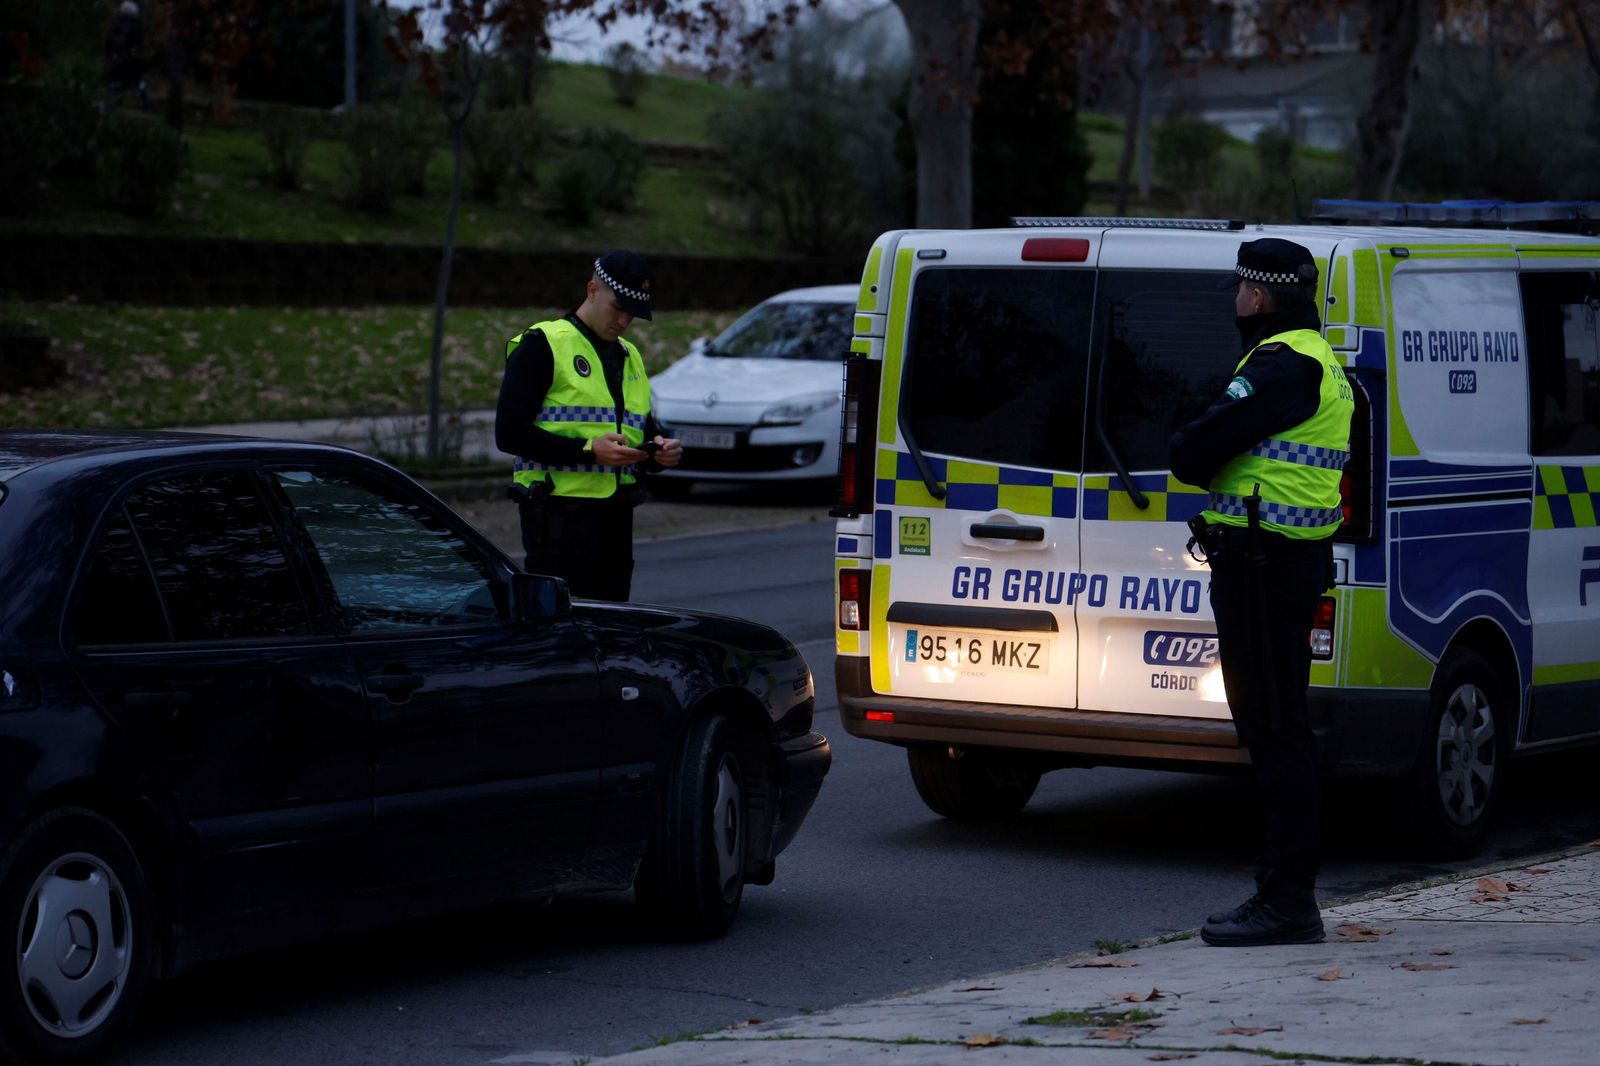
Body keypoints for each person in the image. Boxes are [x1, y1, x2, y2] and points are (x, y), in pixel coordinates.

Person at [1168, 237, 1354, 947]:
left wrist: (1199, 438)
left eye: (1241, 289)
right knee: (1279, 730)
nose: (1236, 300)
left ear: (1259, 296)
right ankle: (1284, 892)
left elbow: (1191, 452)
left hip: (1264, 569)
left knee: (1274, 733)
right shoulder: (1318, 360)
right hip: (1280, 564)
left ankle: (1288, 899)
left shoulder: (1280, 367)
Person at [494, 250, 682, 601]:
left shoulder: (629, 355)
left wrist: (659, 452)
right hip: (557, 520)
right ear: (592, 290)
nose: (624, 320)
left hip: (616, 519)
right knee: (562, 633)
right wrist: (587, 451)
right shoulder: (544, 344)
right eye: (618, 307)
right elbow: (508, 432)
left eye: (633, 313)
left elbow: (639, 428)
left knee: (611, 629)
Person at [104, 1, 149, 110]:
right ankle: (143, 102)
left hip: (118, 60)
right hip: (129, 60)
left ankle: (114, 102)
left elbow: (108, 43)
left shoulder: (115, 25)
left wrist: (108, 57)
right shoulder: (136, 26)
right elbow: (140, 46)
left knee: (117, 82)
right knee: (136, 82)